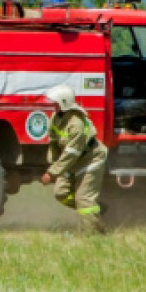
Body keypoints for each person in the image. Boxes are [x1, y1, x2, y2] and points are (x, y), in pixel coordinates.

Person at [39, 84, 106, 232]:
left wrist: (52, 173)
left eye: (55, 103)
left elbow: (71, 153)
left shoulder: (76, 123)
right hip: (72, 162)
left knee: (83, 198)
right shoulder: (56, 118)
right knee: (61, 193)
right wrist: (52, 165)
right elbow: (54, 143)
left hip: (90, 159)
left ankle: (93, 234)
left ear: (63, 103)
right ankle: (96, 210)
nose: (53, 106)